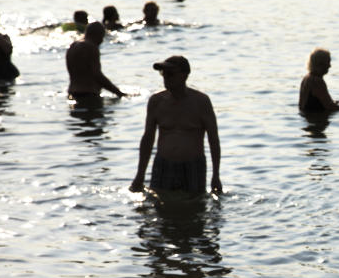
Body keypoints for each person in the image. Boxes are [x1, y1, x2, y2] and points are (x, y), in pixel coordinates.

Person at [131, 56, 222, 195]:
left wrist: (215, 175)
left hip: (193, 165)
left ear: (185, 75)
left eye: (170, 74)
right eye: (163, 74)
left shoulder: (201, 102)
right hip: (163, 164)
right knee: (159, 210)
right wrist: (140, 175)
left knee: (195, 210)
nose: (166, 78)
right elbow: (148, 138)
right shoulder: (156, 101)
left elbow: (213, 139)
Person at [66, 21, 125, 104]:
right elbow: (97, 75)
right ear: (97, 35)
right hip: (89, 95)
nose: (101, 41)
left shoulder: (72, 46)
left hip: (72, 93)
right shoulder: (91, 47)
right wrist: (119, 93)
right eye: (102, 37)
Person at [299, 48, 339, 113]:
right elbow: (329, 106)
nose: (330, 66)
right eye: (328, 62)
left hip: (309, 117)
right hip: (316, 119)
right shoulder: (316, 81)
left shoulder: (307, 77)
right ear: (320, 63)